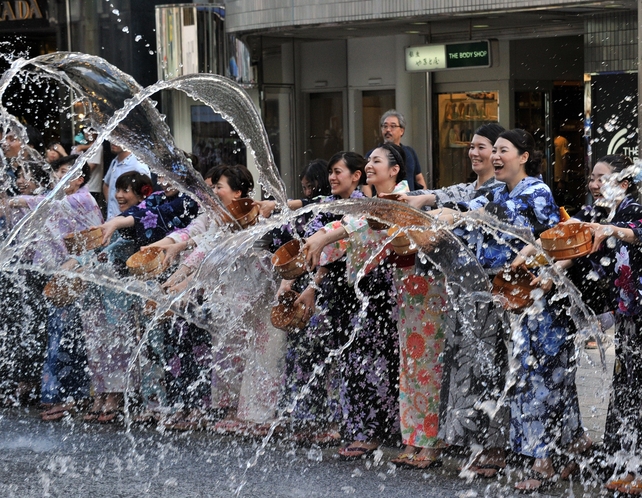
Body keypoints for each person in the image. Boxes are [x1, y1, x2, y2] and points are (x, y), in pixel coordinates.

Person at [427, 129, 580, 492]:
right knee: (525, 378)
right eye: (492, 150)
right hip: (507, 295)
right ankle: (558, 455)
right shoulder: (495, 190)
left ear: (523, 157)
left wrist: (544, 278)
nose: (495, 157)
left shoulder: (537, 191)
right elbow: (476, 218)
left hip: (541, 298)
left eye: (503, 151)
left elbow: (554, 240)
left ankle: (546, 462)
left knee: (543, 378)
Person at [397, 123, 508, 473]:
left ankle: (494, 448)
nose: (475, 153)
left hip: (492, 292)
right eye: (471, 147)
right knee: (464, 368)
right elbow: (443, 194)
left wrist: (437, 205)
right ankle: (468, 443)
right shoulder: (468, 186)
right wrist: (417, 199)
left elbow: (463, 204)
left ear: (500, 152)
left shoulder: (503, 190)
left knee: (491, 367)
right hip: (461, 292)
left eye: (483, 147)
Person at [302, 142, 408, 458]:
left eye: (376, 160)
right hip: (363, 292)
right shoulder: (370, 201)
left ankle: (379, 432)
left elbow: (355, 223)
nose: (370, 164)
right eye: (369, 159)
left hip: (387, 292)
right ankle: (365, 431)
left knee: (379, 364)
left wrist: (322, 237)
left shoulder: (400, 198)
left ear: (394, 169)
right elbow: (349, 219)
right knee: (359, 362)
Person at [363, 110, 426, 193]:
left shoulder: (410, 152)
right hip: (381, 201)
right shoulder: (373, 153)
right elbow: (366, 184)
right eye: (385, 126)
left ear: (402, 131)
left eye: (393, 126)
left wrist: (423, 200)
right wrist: (370, 203)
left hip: (408, 201)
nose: (388, 130)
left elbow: (419, 178)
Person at [102, 143, 150, 220]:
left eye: (117, 138)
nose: (112, 142)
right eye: (111, 137)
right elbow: (106, 185)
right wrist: (113, 206)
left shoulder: (138, 165)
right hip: (112, 221)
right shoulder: (115, 161)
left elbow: (146, 196)